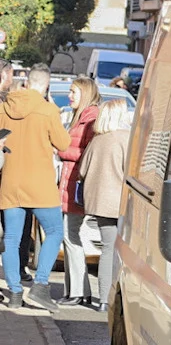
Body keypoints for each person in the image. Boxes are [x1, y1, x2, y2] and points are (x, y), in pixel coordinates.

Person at [0, 67, 68, 312]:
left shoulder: (5, 106)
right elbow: (63, 143)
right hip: (39, 182)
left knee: (11, 237)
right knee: (54, 231)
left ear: (26, 83)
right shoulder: (48, 110)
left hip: (10, 181)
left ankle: (15, 293)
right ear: (46, 86)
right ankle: (40, 286)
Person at [78, 99, 130, 312]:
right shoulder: (126, 139)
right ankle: (116, 299)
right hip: (121, 203)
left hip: (99, 204)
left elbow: (82, 171)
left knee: (107, 249)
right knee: (124, 253)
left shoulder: (96, 141)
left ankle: (103, 299)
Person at [57, 77, 100, 308]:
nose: (69, 96)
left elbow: (87, 154)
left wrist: (62, 150)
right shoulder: (80, 118)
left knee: (71, 237)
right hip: (69, 185)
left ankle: (78, 292)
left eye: (73, 92)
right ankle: (76, 290)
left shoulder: (91, 119)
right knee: (69, 237)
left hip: (77, 188)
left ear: (85, 93)